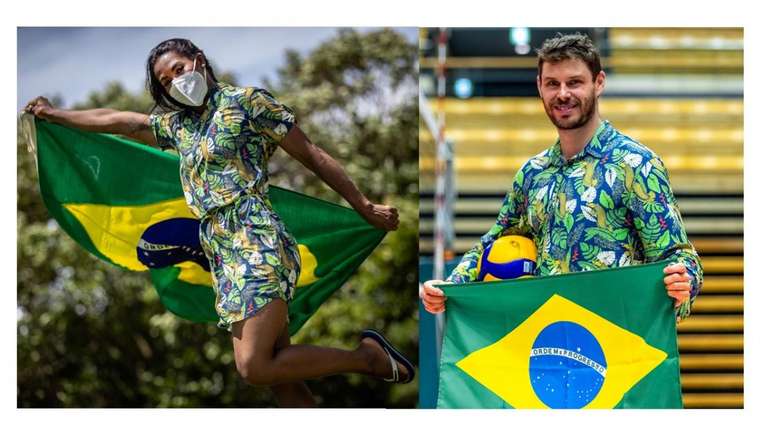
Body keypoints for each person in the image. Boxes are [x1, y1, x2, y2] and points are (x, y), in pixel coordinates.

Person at [25, 38, 414, 407]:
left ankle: (367, 359)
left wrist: (363, 204)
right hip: (221, 250)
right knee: (282, 378)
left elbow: (311, 154)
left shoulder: (247, 102)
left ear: (198, 60)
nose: (176, 82)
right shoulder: (178, 127)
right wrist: (56, 114)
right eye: (165, 80)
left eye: (178, 69)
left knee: (254, 366)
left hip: (254, 235)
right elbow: (120, 120)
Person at [421, 33, 703, 322]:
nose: (563, 93)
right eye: (552, 84)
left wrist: (684, 281)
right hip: (544, 347)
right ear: (539, 88)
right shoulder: (532, 174)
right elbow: (492, 243)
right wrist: (451, 286)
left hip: (617, 347)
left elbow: (680, 256)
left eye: (575, 82)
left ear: (599, 83)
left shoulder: (637, 164)